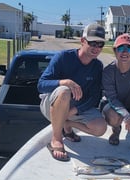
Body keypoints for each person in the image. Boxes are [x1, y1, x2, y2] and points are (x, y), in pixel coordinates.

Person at [37, 23, 107, 161]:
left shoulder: (97, 66)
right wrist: (64, 82)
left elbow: (94, 97)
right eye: (93, 43)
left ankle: (67, 125)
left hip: (75, 110)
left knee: (101, 128)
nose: (96, 48)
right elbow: (41, 85)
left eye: (100, 45)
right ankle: (56, 139)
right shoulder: (63, 57)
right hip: (52, 107)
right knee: (64, 91)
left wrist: (75, 110)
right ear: (82, 41)